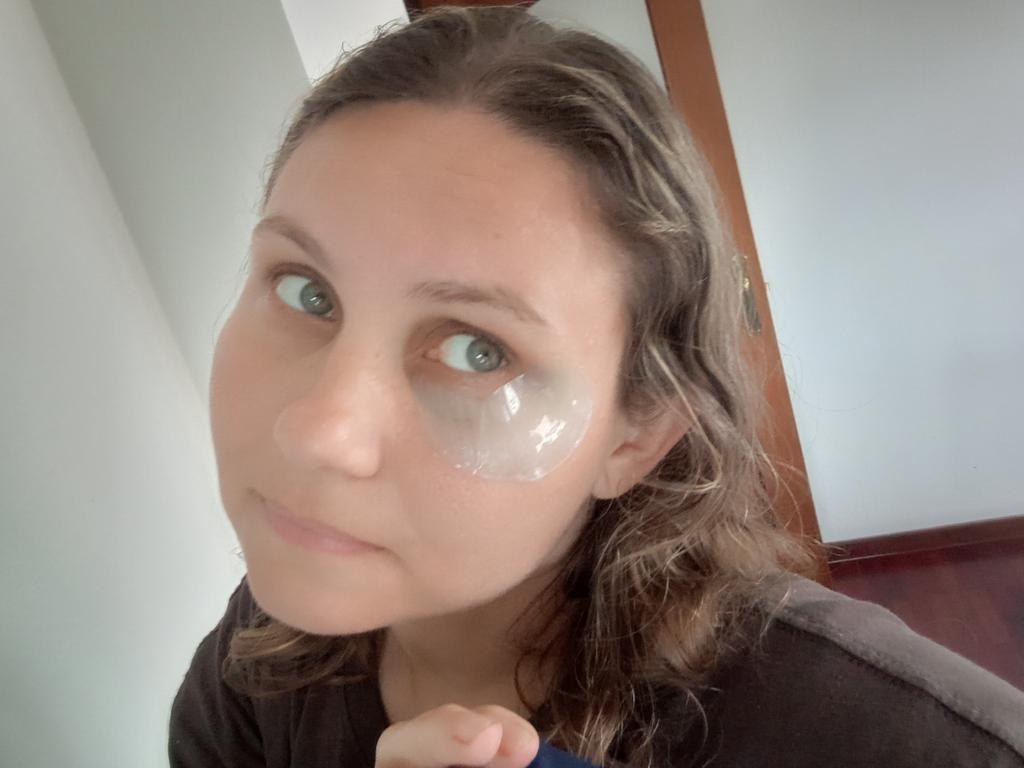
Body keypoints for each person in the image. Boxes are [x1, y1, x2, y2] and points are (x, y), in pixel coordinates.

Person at [168, 6, 1024, 767]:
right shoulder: (258, 658)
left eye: (477, 350)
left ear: (636, 435)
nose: (316, 431)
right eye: (306, 292)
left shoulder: (866, 731)